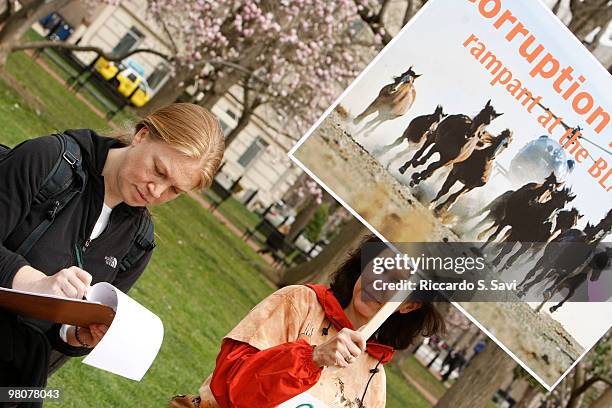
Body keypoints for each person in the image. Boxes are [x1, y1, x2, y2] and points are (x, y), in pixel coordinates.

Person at [0, 103, 224, 395]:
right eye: (158, 170)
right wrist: (35, 282)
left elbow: (61, 336)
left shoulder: (138, 242)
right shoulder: (49, 160)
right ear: (142, 136)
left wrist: (78, 335)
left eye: (175, 191)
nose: (156, 191)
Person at [169, 239, 446, 408]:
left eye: (397, 282)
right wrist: (312, 357)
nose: (379, 283)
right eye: (380, 267)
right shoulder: (298, 302)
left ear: (409, 305)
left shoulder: (374, 378)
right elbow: (231, 388)